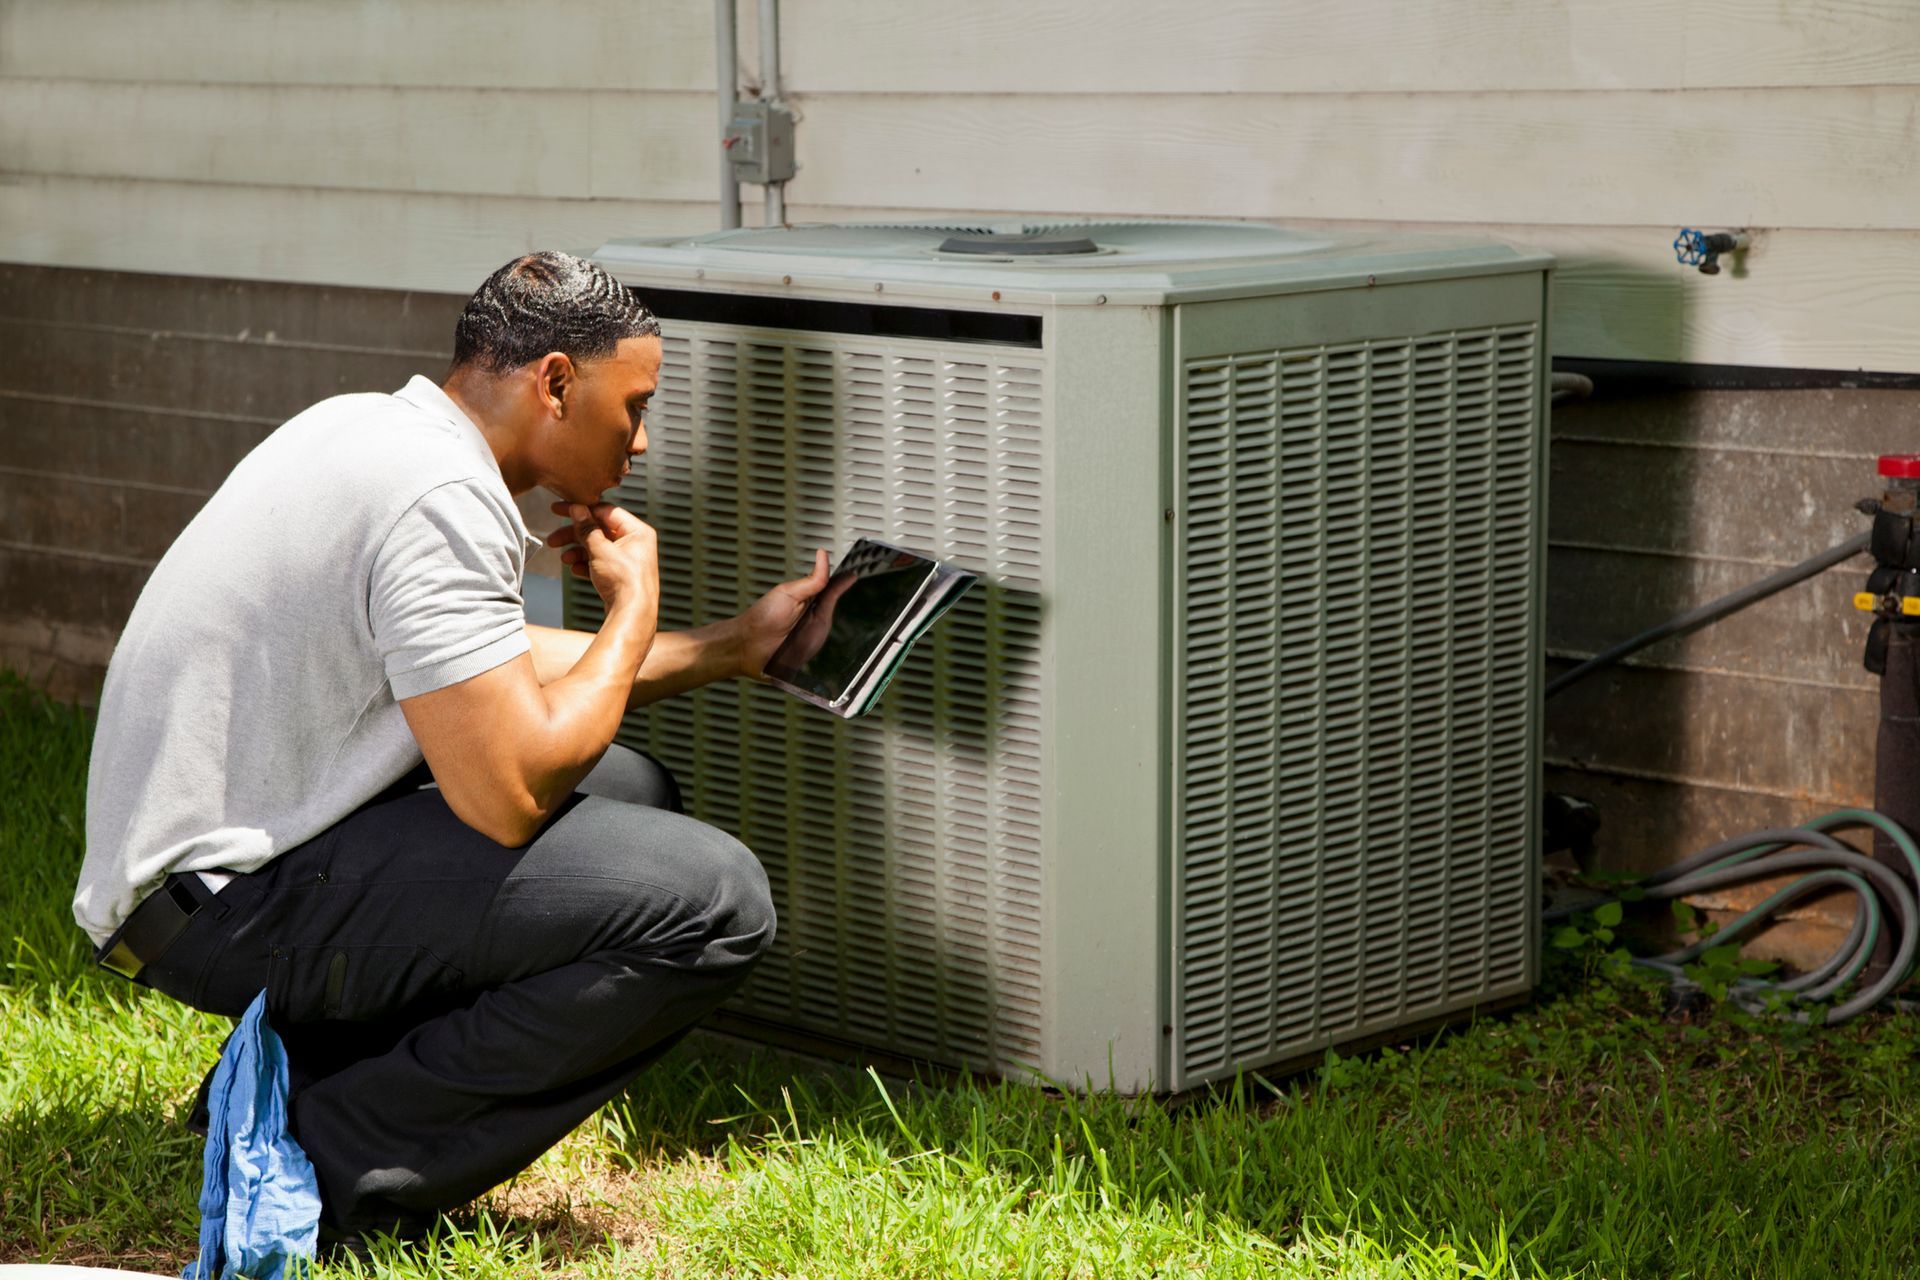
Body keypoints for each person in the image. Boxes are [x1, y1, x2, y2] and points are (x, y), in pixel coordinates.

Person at [72, 250, 830, 1246]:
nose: (639, 443)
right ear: (556, 382)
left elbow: (486, 666)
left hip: (206, 876)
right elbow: (507, 793)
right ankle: (328, 1159)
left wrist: (735, 644)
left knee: (627, 786)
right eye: (633, 406)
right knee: (714, 899)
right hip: (219, 906)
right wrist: (634, 606)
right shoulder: (440, 494)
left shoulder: (372, 427)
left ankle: (265, 1095)